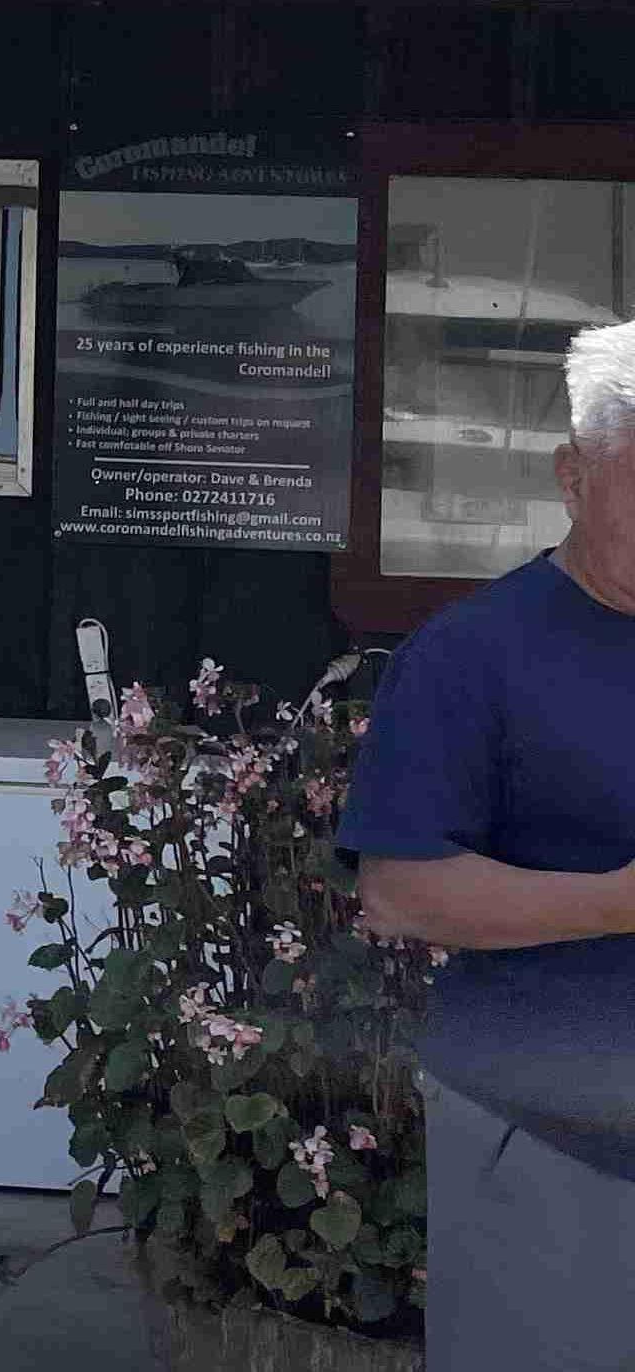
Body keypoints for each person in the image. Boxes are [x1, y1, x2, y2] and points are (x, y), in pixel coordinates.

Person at [340, 319, 635, 1369]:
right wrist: (621, 900)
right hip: (548, 1138)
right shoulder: (472, 654)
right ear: (572, 474)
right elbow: (400, 892)